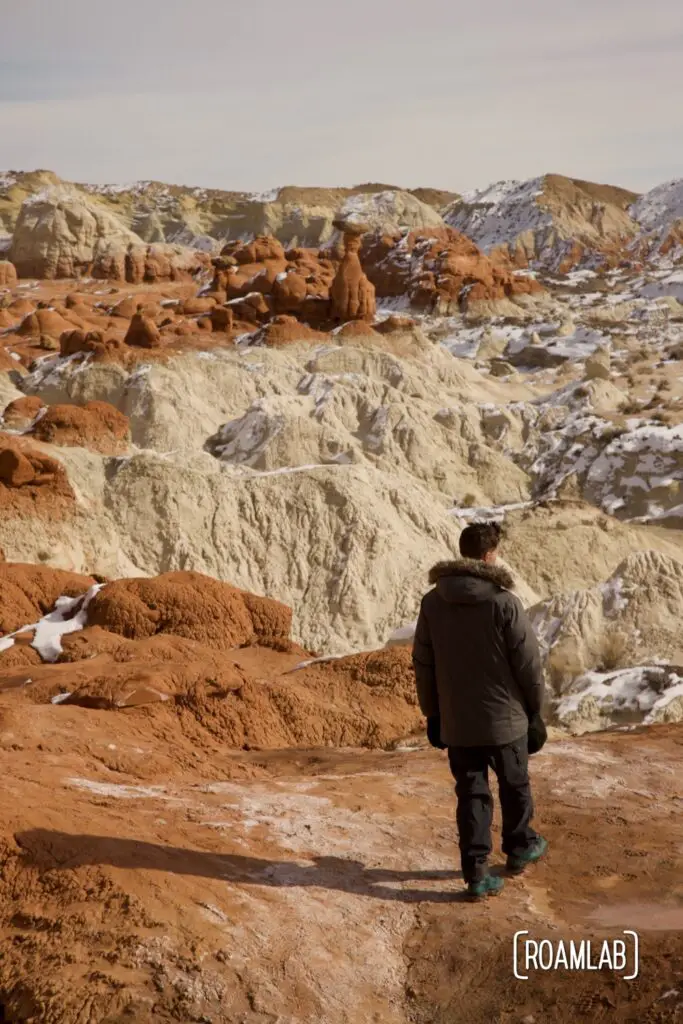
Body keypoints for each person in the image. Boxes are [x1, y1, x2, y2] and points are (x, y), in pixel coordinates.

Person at [412, 521, 547, 901]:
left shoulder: (432, 602)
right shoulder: (504, 603)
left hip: (457, 722)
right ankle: (519, 848)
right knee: (514, 785)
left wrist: (433, 714)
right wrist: (536, 712)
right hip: (506, 723)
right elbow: (528, 665)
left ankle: (476, 874)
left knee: (471, 794)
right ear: (489, 556)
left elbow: (423, 662)